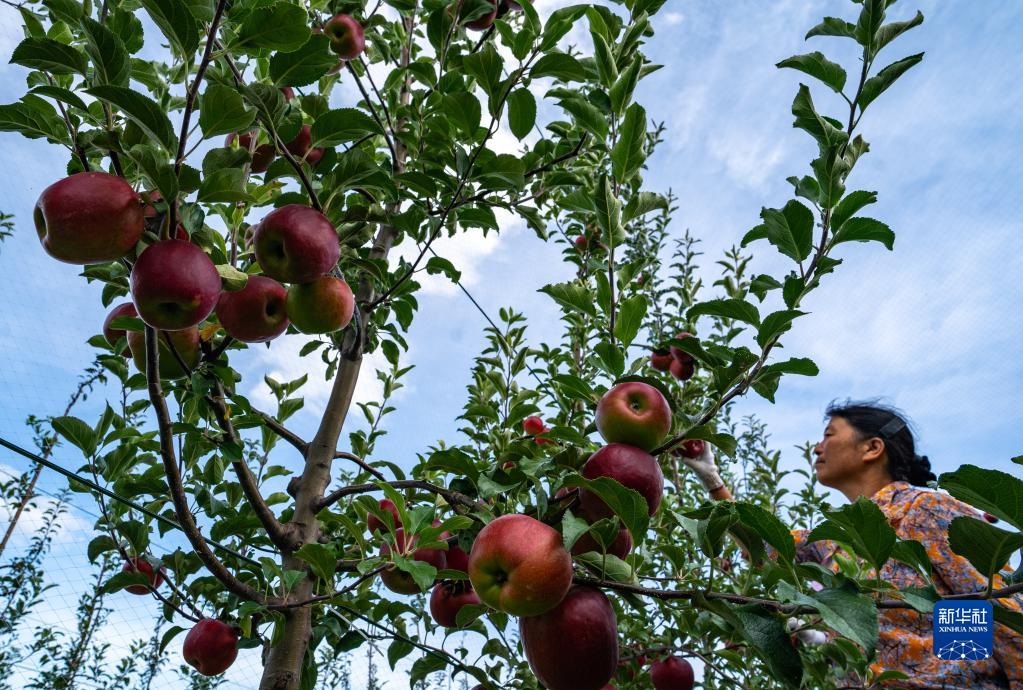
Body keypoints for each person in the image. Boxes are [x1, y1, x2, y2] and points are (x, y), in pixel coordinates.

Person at [679, 400, 1023, 689]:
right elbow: (765, 547)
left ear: (872, 448)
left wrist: (950, 672)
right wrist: (712, 479)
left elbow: (995, 609)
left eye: (829, 435)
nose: (817, 447)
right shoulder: (835, 538)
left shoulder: (926, 511)